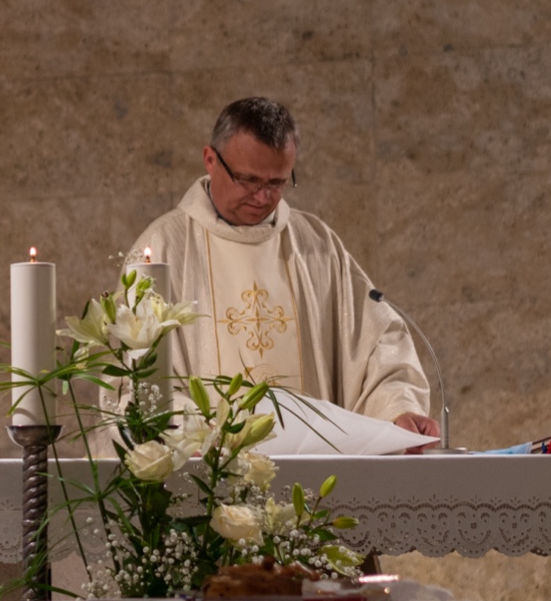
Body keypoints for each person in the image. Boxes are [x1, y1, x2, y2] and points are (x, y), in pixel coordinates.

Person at [130, 97, 439, 440]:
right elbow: (136, 380)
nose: (263, 197)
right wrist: (199, 433)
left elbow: (378, 342)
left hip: (313, 467)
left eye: (276, 183)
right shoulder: (163, 249)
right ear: (210, 160)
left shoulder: (316, 245)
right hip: (209, 464)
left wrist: (398, 409)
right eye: (248, 180)